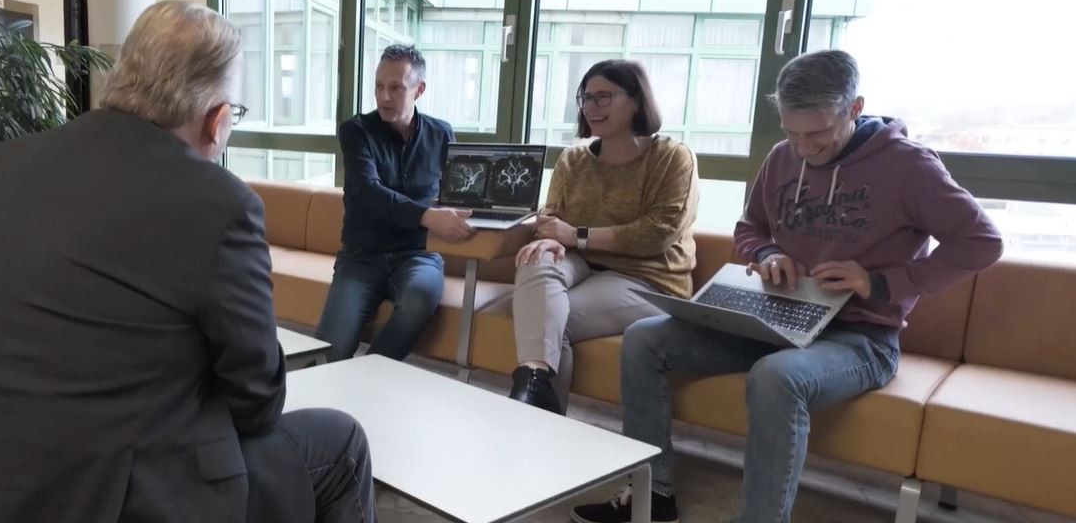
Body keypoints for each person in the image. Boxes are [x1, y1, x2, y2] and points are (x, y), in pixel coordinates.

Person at [0, 0, 374, 523]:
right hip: (93, 498)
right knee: (342, 443)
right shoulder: (218, 204)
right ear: (216, 122)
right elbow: (258, 402)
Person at [573, 50, 1003, 523]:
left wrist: (881, 282)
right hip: (773, 321)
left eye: (816, 133)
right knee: (644, 338)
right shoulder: (783, 158)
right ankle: (652, 495)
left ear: (854, 108)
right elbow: (749, 227)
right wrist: (767, 253)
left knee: (777, 377)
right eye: (791, 133)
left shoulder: (908, 166)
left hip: (860, 338)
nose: (803, 148)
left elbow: (982, 242)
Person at [507, 60, 698, 415]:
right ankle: (533, 384)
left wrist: (575, 236)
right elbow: (550, 215)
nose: (592, 107)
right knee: (537, 259)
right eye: (587, 97)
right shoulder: (573, 159)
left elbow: (657, 233)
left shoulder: (673, 158)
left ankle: (536, 421)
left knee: (552, 323)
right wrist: (551, 237)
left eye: (604, 97)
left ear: (637, 100)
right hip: (583, 264)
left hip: (648, 278)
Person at [314, 44, 474, 362]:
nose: (384, 96)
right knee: (329, 353)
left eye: (396, 87)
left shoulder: (441, 134)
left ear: (419, 89)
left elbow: (457, 193)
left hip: (419, 256)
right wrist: (427, 215)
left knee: (418, 302)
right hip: (361, 257)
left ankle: (370, 376)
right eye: (379, 86)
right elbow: (367, 191)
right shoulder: (356, 131)